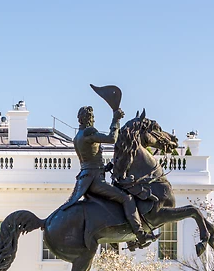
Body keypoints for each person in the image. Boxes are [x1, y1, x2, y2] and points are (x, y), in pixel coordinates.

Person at [60, 103, 158, 245]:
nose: (93, 120)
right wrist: (116, 119)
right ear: (88, 118)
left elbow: (90, 161)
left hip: (87, 178)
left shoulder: (77, 137)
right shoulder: (88, 133)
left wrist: (106, 167)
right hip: (94, 181)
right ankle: (140, 235)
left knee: (114, 199)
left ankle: (127, 239)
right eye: (92, 117)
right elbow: (112, 138)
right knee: (126, 198)